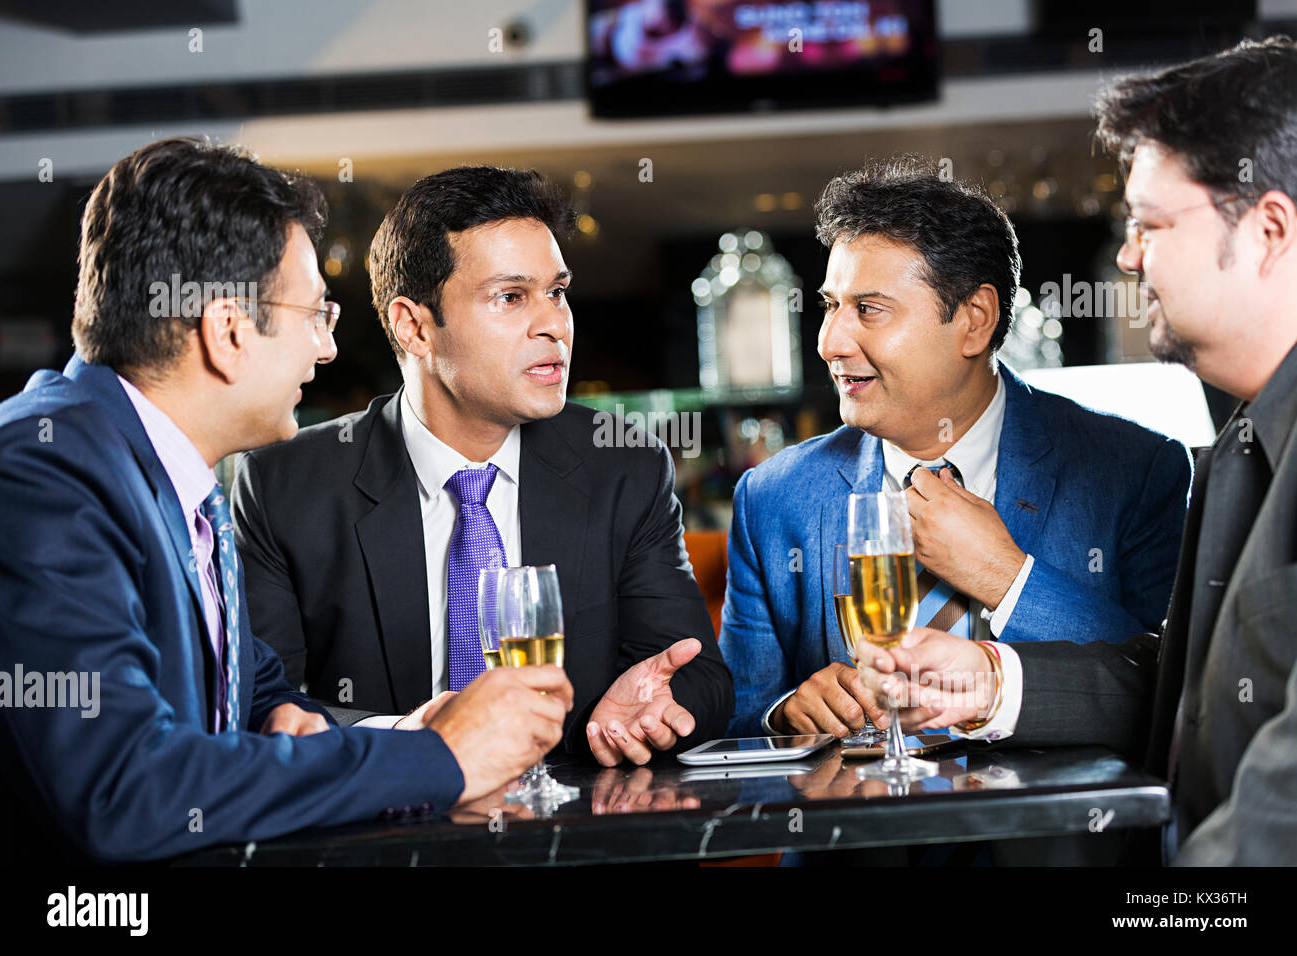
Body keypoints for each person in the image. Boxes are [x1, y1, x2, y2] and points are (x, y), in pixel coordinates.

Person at [0, 138, 573, 863]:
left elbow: (259, 694)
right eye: (315, 314)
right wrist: (443, 759)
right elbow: (124, 788)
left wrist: (406, 733)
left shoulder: (175, 475)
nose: (327, 349)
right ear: (229, 332)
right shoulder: (43, 475)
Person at [857, 37, 1297, 865]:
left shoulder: (1174, 456)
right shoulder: (1245, 437)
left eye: (1150, 226)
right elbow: (1182, 687)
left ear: (1269, 229)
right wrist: (994, 683)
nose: (1128, 257)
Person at [231, 165, 733, 768]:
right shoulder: (285, 484)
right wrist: (413, 737)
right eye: (511, 297)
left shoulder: (624, 465)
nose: (555, 325)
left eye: (557, 292)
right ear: (413, 326)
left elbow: (697, 673)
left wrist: (648, 710)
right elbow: (260, 704)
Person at [720, 157, 1193, 739]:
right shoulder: (774, 496)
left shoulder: (1137, 470)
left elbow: (1173, 689)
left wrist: (1005, 576)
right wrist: (786, 711)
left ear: (975, 320)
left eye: (868, 309)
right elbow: (735, 713)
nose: (829, 342)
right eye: (830, 306)